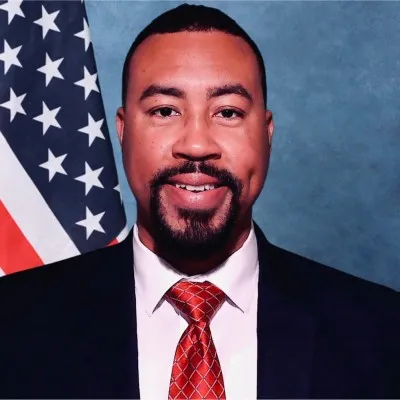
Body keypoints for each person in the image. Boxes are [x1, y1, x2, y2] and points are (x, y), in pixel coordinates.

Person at [0, 4, 399, 399]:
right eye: (165, 111)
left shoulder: (383, 334)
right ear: (123, 131)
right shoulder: (13, 326)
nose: (196, 145)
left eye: (227, 112)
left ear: (266, 133)